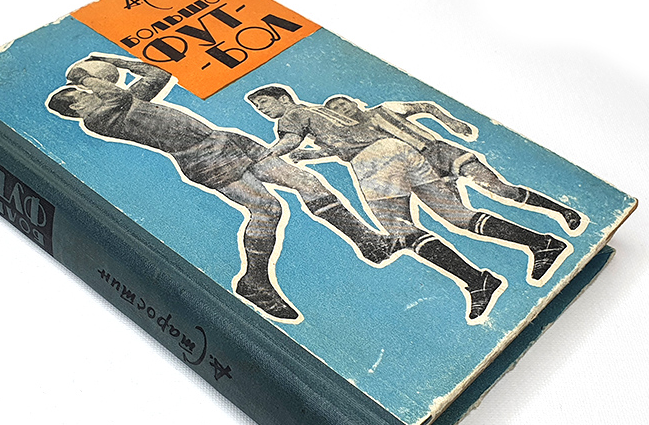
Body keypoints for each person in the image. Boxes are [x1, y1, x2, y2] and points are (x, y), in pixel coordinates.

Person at [46, 54, 407, 322]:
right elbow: (116, 96)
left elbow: (159, 74)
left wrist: (113, 61)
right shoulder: (99, 118)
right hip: (204, 158)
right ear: (75, 106)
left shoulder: (128, 100)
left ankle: (367, 242)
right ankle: (254, 282)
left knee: (307, 181)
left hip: (226, 140)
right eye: (81, 93)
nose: (87, 91)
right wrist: (84, 75)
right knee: (268, 209)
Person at [245, 85, 573, 286]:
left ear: (283, 98)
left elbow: (289, 140)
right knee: (457, 216)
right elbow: (343, 141)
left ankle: (478, 282)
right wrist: (315, 154)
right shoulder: (320, 113)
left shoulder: (291, 115)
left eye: (264, 104)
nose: (262, 111)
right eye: (258, 109)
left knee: (399, 229)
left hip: (377, 162)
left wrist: (261, 156)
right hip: (401, 153)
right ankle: (541, 243)